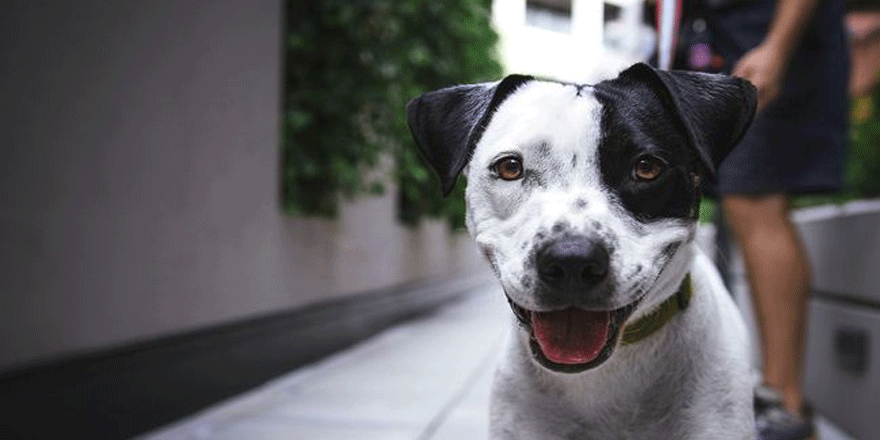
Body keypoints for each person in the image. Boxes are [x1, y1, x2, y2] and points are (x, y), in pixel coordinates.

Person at [669, 0, 850, 439]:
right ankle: (767, 397)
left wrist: (777, 46)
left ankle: (786, 403)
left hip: (766, 36)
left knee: (754, 198)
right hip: (720, 37)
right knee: (730, 198)